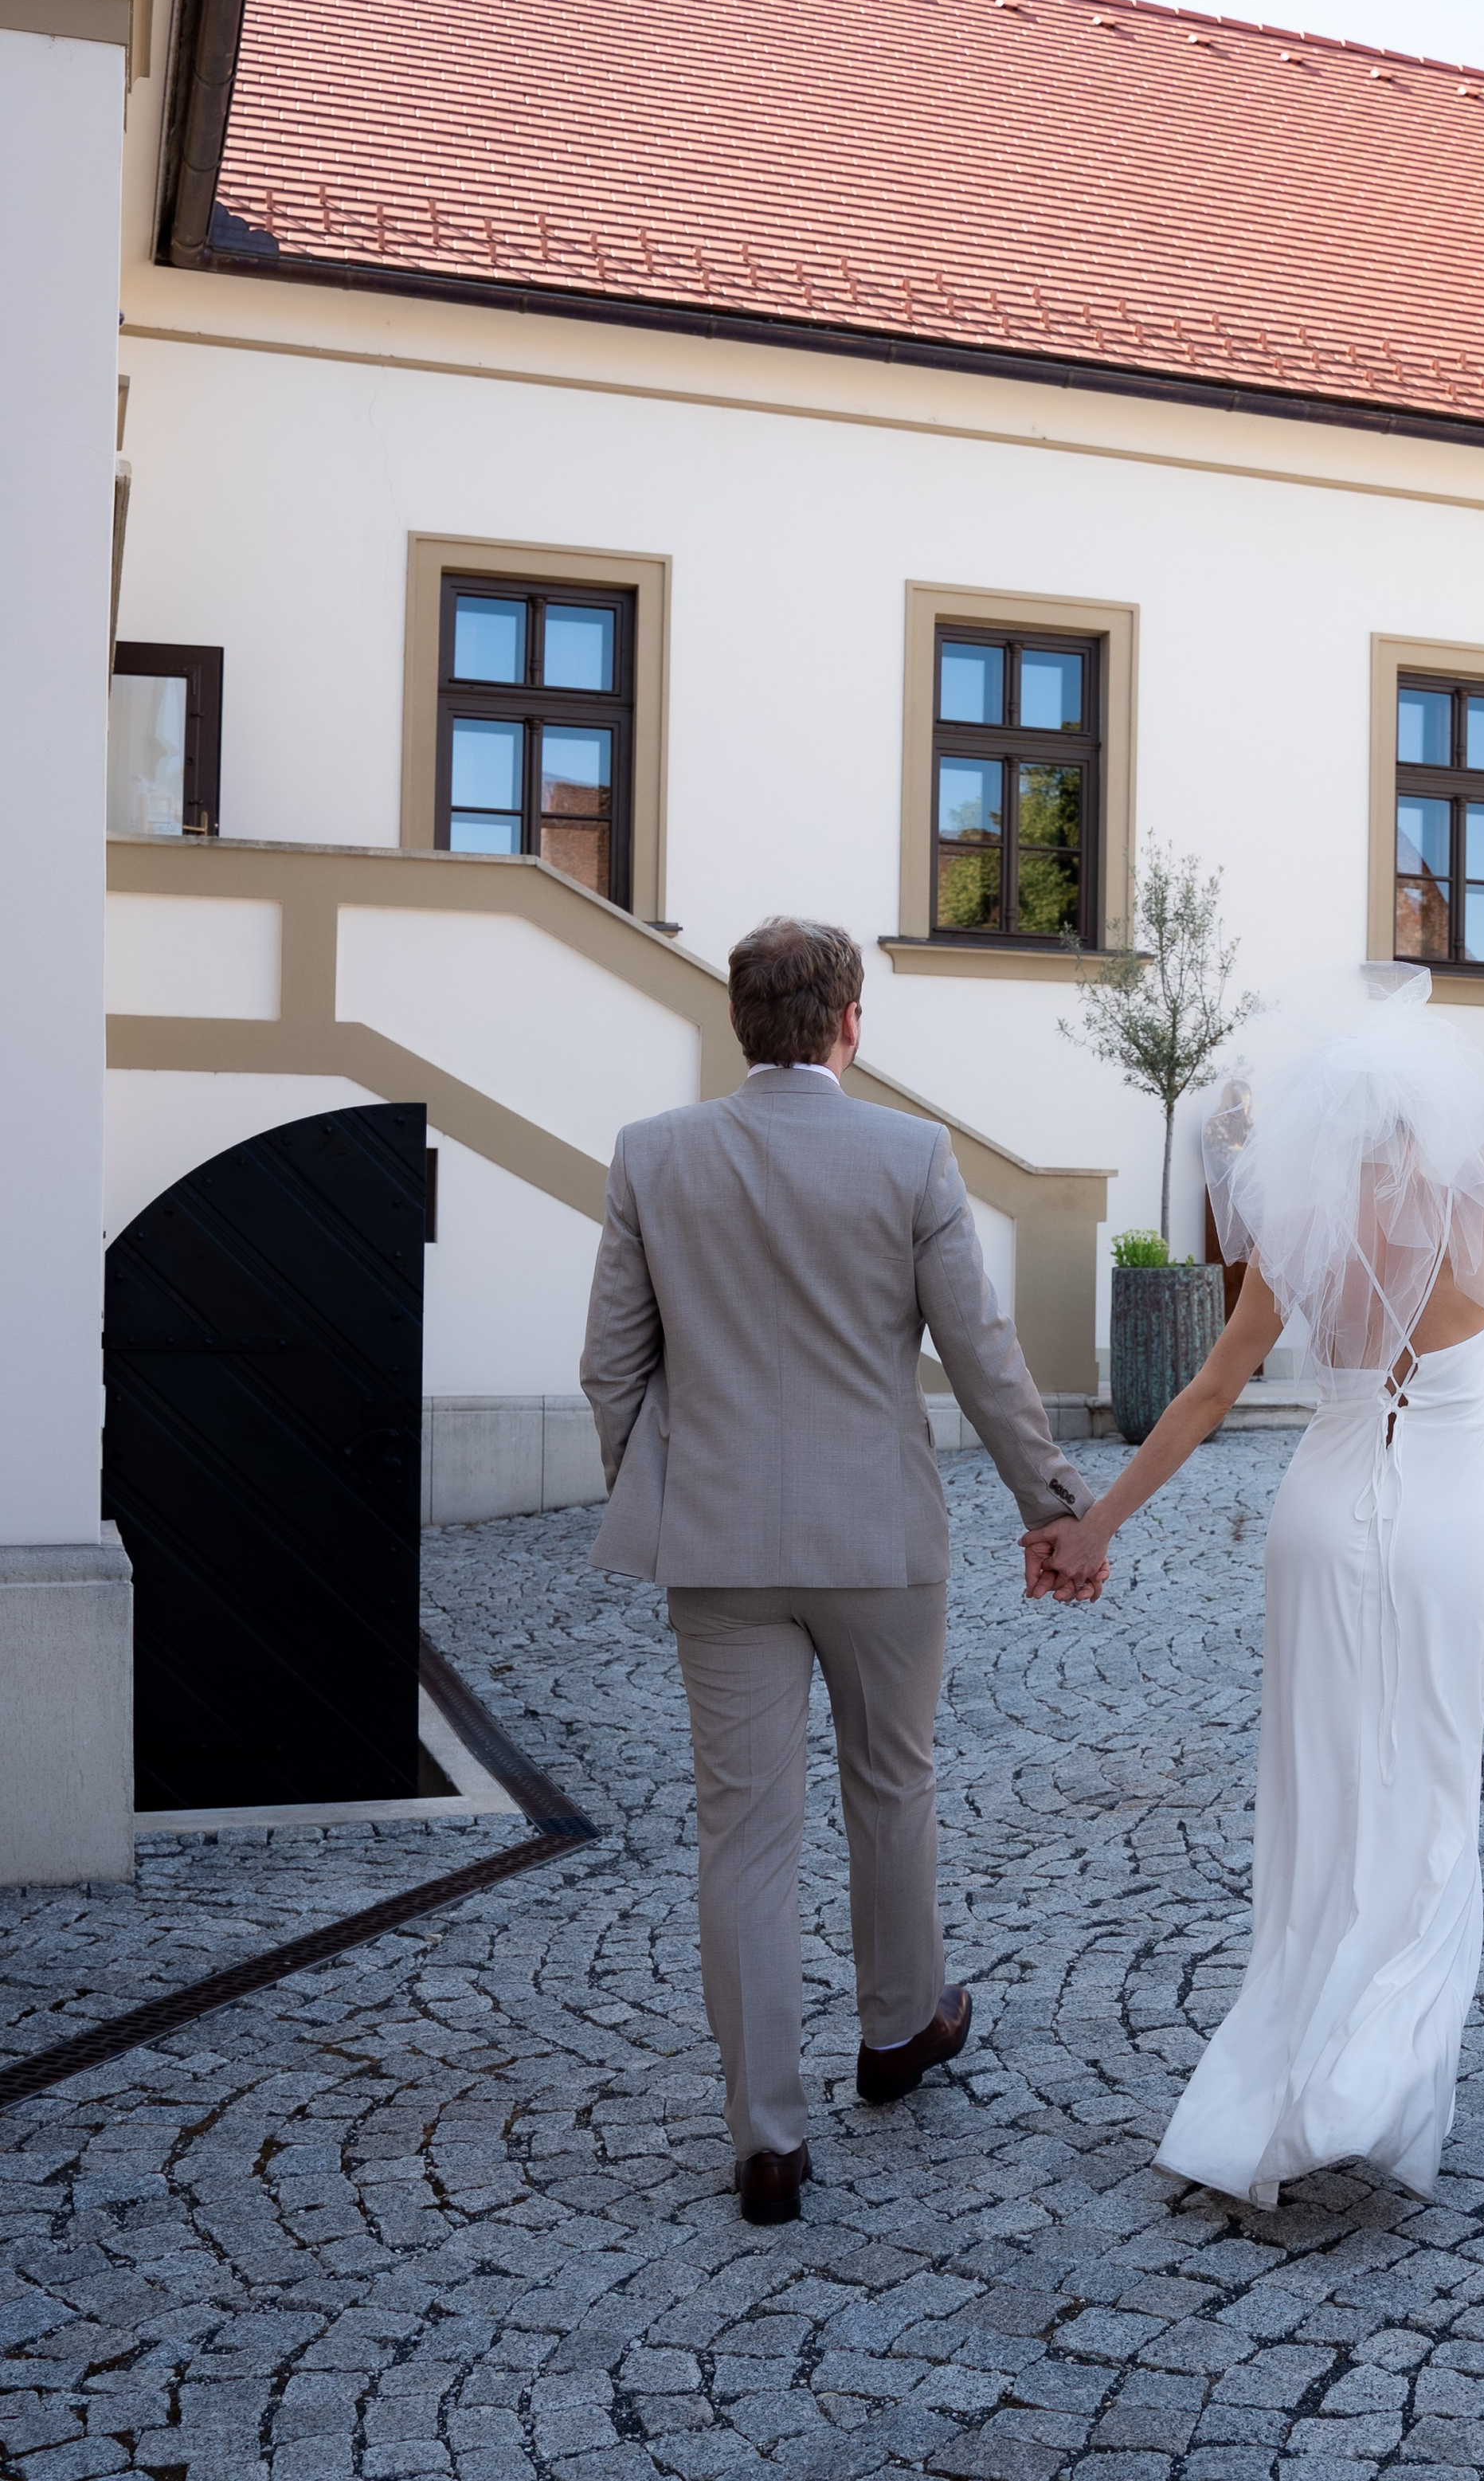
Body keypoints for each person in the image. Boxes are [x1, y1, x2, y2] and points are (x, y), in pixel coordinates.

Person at [1021, 840, 1484, 2207]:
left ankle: (1280, 2074)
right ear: (1427, 1118)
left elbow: (1208, 1390)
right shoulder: (1481, 1191)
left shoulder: (1297, 1233)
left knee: (1318, 1805)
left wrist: (1096, 1526)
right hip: (1445, 1516)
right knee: (1429, 1788)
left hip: (1318, 1515)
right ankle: (1365, 2080)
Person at [581, 917, 1094, 2224]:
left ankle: (765, 2138)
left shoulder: (653, 1152)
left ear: (739, 1025)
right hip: (878, 1540)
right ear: (851, 1023)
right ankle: (899, 2026)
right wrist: (1049, 1499)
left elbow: (611, 1366)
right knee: (894, 1779)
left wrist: (659, 1488)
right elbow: (981, 1349)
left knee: (741, 1832)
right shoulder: (910, 1152)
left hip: (720, 1544)